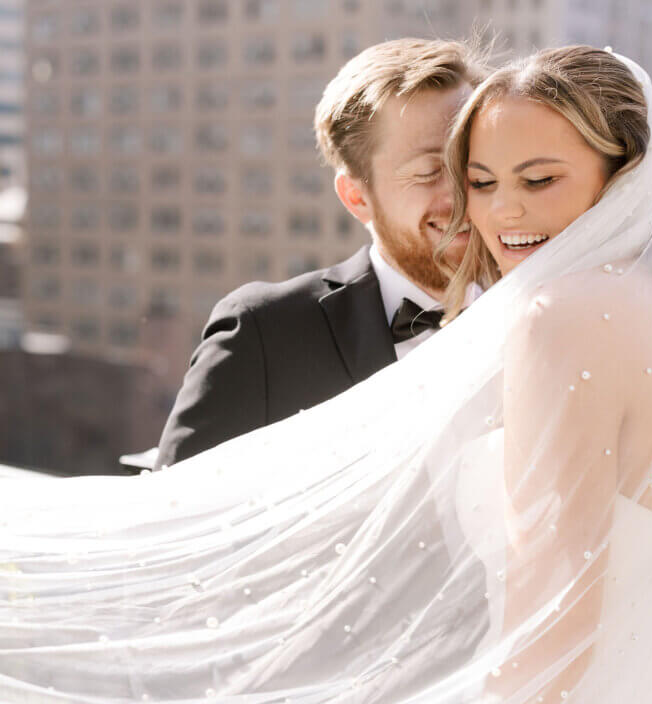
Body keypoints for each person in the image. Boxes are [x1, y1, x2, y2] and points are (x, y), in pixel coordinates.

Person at [0, 46, 652, 704]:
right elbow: (185, 551)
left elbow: (551, 616)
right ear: (356, 196)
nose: (487, 210)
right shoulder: (644, 302)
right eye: (463, 177)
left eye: (535, 178)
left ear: (622, 171)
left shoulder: (558, 321)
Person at [153, 37, 486, 469]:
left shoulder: (550, 304)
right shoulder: (263, 335)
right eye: (427, 172)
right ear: (356, 197)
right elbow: (175, 521)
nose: (461, 193)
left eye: (472, 160)